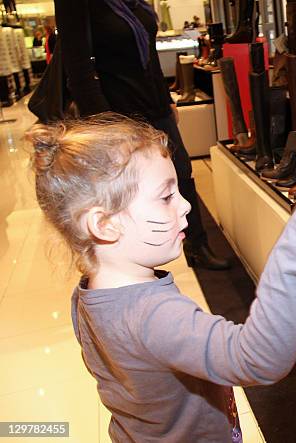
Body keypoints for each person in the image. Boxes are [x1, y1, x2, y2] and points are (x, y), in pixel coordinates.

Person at [27, 113, 296, 442]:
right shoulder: (154, 315)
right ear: (105, 225)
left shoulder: (88, 295)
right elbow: (257, 358)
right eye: (165, 197)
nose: (184, 206)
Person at [53, 0, 229, 270]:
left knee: (181, 172)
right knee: (131, 190)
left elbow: (150, 55)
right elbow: (78, 72)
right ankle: (137, 260)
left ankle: (197, 245)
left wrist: (167, 97)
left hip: (154, 105)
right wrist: (108, 128)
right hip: (117, 113)